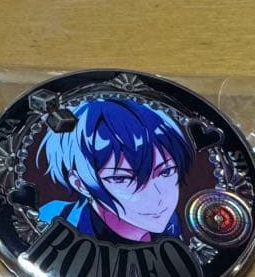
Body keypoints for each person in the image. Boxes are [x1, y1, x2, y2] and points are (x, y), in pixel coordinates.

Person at [36, 98, 193, 244]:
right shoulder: (52, 221)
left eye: (166, 172)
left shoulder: (175, 224)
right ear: (80, 183)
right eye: (122, 179)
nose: (157, 198)